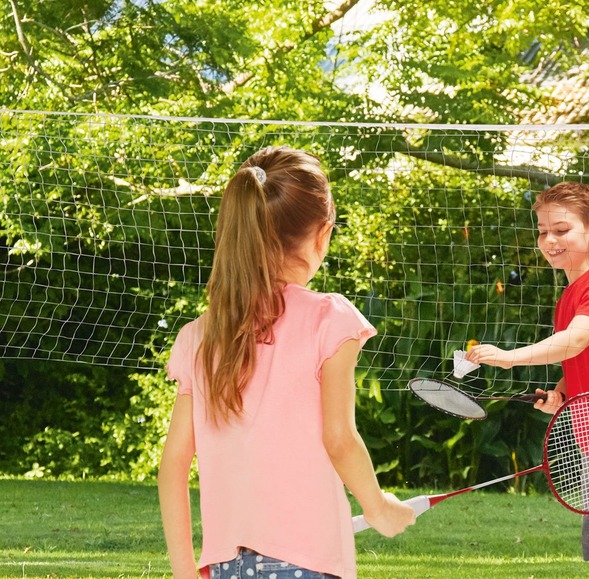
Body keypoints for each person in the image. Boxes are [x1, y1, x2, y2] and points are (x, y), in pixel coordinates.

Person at [158, 146, 415, 579]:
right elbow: (340, 439)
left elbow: (173, 465)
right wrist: (380, 509)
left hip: (224, 567)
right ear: (323, 233)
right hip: (307, 565)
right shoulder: (329, 318)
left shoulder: (199, 336)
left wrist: (185, 572)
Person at [465, 181, 589, 578]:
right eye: (543, 231)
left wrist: (509, 358)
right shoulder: (569, 295)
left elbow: (574, 341)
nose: (550, 240)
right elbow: (585, 359)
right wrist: (560, 391)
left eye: (561, 230)